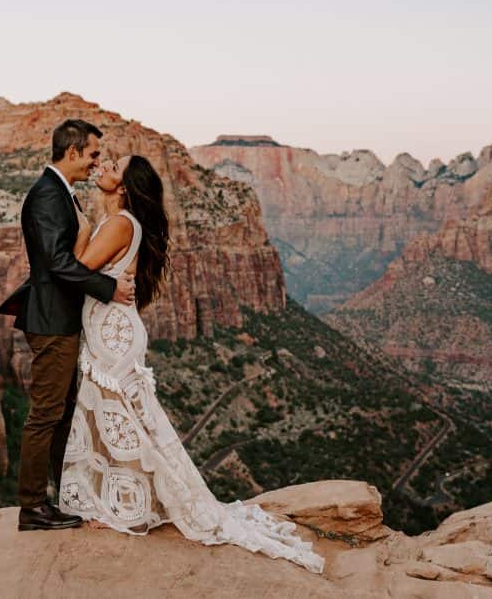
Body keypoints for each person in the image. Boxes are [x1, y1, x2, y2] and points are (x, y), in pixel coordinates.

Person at [57, 153, 325, 574]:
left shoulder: (119, 224)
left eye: (114, 166)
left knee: (113, 414)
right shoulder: (124, 223)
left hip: (113, 334)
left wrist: (84, 233)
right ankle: (123, 500)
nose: (104, 165)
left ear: (125, 186)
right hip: (111, 328)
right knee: (117, 415)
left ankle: (123, 506)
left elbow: (74, 271)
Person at [0, 119, 136, 532]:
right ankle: (32, 508)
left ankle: (64, 495)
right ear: (72, 152)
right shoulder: (46, 196)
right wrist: (108, 287)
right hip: (52, 321)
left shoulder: (61, 193)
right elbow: (57, 265)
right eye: (92, 154)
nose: (96, 162)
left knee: (62, 413)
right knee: (46, 415)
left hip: (62, 319)